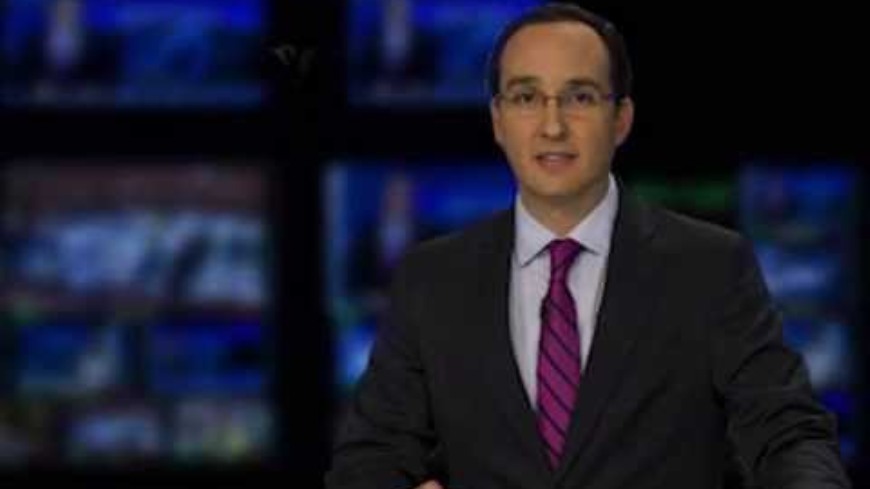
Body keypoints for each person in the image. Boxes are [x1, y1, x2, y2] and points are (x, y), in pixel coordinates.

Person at [324, 3, 853, 489]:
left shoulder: (710, 267)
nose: (553, 126)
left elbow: (788, 435)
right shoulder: (433, 279)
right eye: (527, 98)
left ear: (620, 119)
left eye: (579, 97)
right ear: (498, 121)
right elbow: (369, 456)